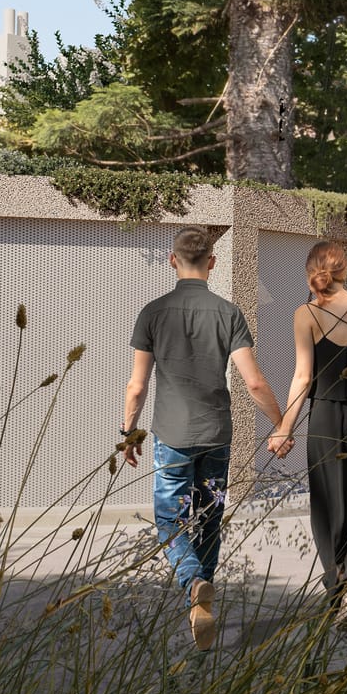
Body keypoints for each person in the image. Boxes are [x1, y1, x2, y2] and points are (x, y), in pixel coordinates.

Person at [121, 226, 290, 650]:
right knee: (211, 514)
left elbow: (137, 387)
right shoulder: (229, 313)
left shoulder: (152, 312)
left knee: (169, 518)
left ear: (172, 260)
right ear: (212, 263)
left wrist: (128, 434)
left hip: (172, 436)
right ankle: (203, 602)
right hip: (217, 434)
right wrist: (281, 423)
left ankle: (193, 581)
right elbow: (253, 382)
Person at [273, 240, 347, 632]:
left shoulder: (305, 314)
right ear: (346, 270)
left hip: (326, 421)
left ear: (311, 272)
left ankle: (336, 586)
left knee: (331, 505)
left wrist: (284, 429)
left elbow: (303, 377)